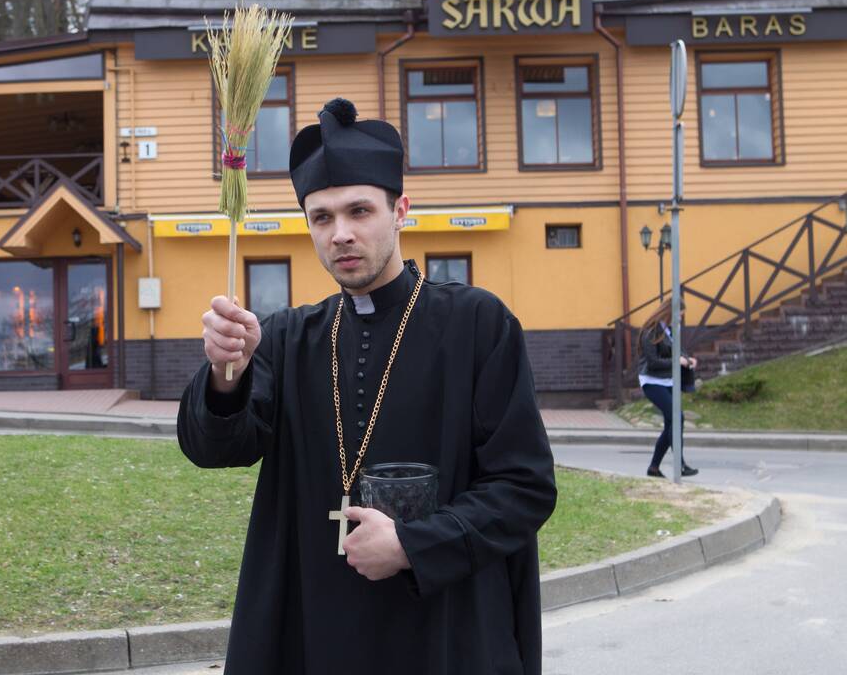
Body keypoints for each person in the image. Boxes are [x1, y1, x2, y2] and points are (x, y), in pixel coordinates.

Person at [177, 97, 557, 674]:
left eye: (360, 211)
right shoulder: (285, 337)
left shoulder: (478, 323)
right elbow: (215, 450)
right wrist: (226, 377)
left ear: (401, 209)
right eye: (322, 218)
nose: (341, 234)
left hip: (443, 630)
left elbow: (524, 487)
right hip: (315, 628)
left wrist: (414, 545)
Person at [637, 297, 699, 478]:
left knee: (672, 423)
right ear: (669, 312)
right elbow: (653, 362)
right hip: (652, 381)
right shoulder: (650, 331)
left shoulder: (669, 330)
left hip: (668, 381)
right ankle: (680, 465)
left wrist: (687, 360)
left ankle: (654, 468)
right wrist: (676, 361)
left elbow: (677, 351)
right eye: (679, 315)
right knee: (677, 417)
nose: (680, 319)